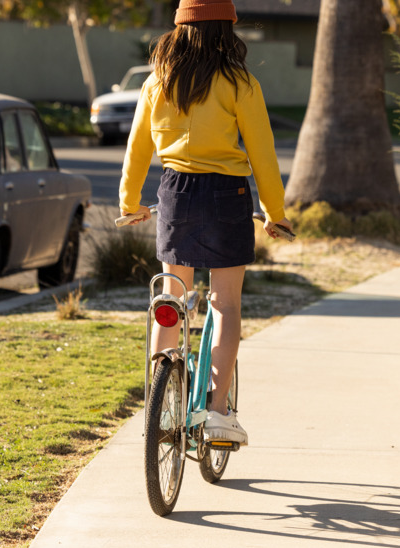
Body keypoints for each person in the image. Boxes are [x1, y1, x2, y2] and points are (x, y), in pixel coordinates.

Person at [119, 0, 293, 446]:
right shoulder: (240, 82)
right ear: (226, 30)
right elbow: (263, 155)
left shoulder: (158, 82)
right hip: (228, 195)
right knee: (225, 303)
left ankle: (162, 404)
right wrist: (276, 214)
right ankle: (218, 414)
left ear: (179, 29)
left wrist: (130, 202)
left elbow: (138, 148)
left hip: (175, 192)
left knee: (173, 296)